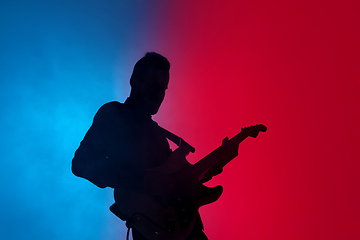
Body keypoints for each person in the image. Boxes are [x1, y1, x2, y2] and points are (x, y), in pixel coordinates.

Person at [71, 52, 209, 240]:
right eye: (153, 86)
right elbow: (81, 163)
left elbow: (177, 179)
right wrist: (142, 179)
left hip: (186, 228)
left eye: (163, 89)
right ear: (135, 81)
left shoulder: (158, 134)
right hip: (152, 229)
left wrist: (218, 160)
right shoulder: (114, 115)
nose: (158, 95)